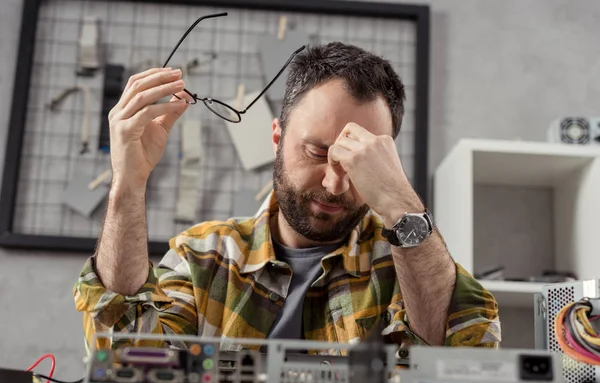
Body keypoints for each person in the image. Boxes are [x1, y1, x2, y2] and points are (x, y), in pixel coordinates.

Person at [74, 42, 500, 353]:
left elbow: (467, 359)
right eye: (317, 152)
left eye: (357, 163)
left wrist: (401, 203)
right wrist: (128, 183)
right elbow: (123, 357)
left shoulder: (411, 264)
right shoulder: (204, 256)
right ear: (276, 136)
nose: (335, 185)